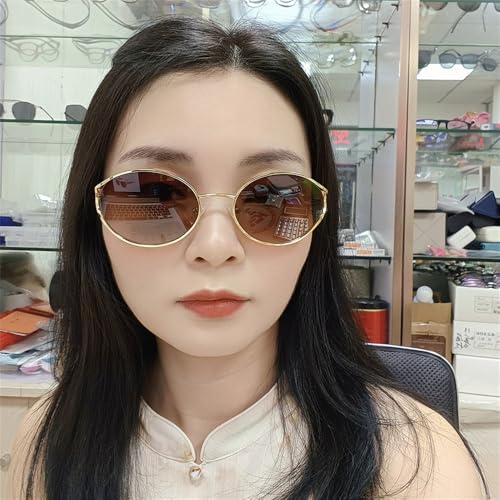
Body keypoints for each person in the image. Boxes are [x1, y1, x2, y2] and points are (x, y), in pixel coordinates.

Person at [8, 16, 488, 500]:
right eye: (157, 193)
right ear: (93, 220)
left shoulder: (418, 469)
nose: (216, 246)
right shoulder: (49, 444)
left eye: (270, 197)